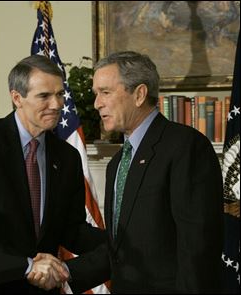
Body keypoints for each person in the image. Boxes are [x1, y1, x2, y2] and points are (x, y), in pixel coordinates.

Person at [59, 51, 223, 293]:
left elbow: (198, 248)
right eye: (96, 94)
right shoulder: (117, 163)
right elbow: (121, 248)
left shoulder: (185, 146)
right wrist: (65, 274)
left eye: (105, 92)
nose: (97, 104)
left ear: (139, 94)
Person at [0, 55, 105, 293]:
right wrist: (27, 265)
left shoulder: (67, 156)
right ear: (17, 98)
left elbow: (71, 229)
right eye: (44, 96)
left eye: (60, 94)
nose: (57, 104)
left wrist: (119, 242)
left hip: (46, 288)